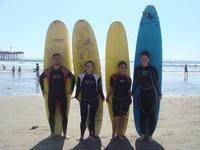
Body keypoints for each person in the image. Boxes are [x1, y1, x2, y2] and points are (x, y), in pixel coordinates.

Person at [39, 53, 75, 138]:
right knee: (51, 114)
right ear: (52, 60)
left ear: (60, 60)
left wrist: (72, 89)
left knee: (64, 115)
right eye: (55, 58)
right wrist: (43, 90)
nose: (56, 60)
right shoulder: (48, 71)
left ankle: (65, 133)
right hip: (52, 95)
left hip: (62, 95)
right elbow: (40, 78)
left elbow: (73, 78)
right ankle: (52, 133)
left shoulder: (64, 70)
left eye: (58, 58)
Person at [132, 50, 162, 142]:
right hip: (142, 95)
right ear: (140, 60)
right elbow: (135, 82)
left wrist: (159, 93)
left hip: (152, 95)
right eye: (142, 58)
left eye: (146, 58)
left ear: (148, 59)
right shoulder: (138, 70)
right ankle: (142, 135)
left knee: (152, 115)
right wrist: (132, 92)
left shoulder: (152, 70)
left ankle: (150, 136)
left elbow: (156, 83)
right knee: (142, 115)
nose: (144, 60)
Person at [75, 60, 105, 141]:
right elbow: (78, 88)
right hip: (84, 100)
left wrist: (102, 97)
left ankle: (91, 135)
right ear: (85, 67)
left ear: (92, 67)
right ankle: (81, 136)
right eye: (87, 66)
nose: (88, 67)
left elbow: (99, 89)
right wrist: (76, 96)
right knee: (83, 118)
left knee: (92, 118)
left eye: (90, 66)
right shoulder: (80, 76)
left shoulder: (97, 77)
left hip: (94, 100)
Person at [106, 61, 132, 141]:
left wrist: (131, 98)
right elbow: (111, 88)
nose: (123, 69)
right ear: (118, 68)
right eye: (121, 67)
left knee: (123, 118)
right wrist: (108, 96)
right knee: (116, 118)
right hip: (116, 100)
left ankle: (120, 134)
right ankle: (113, 134)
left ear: (126, 69)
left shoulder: (128, 79)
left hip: (125, 100)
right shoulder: (113, 77)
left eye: (124, 67)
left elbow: (128, 90)